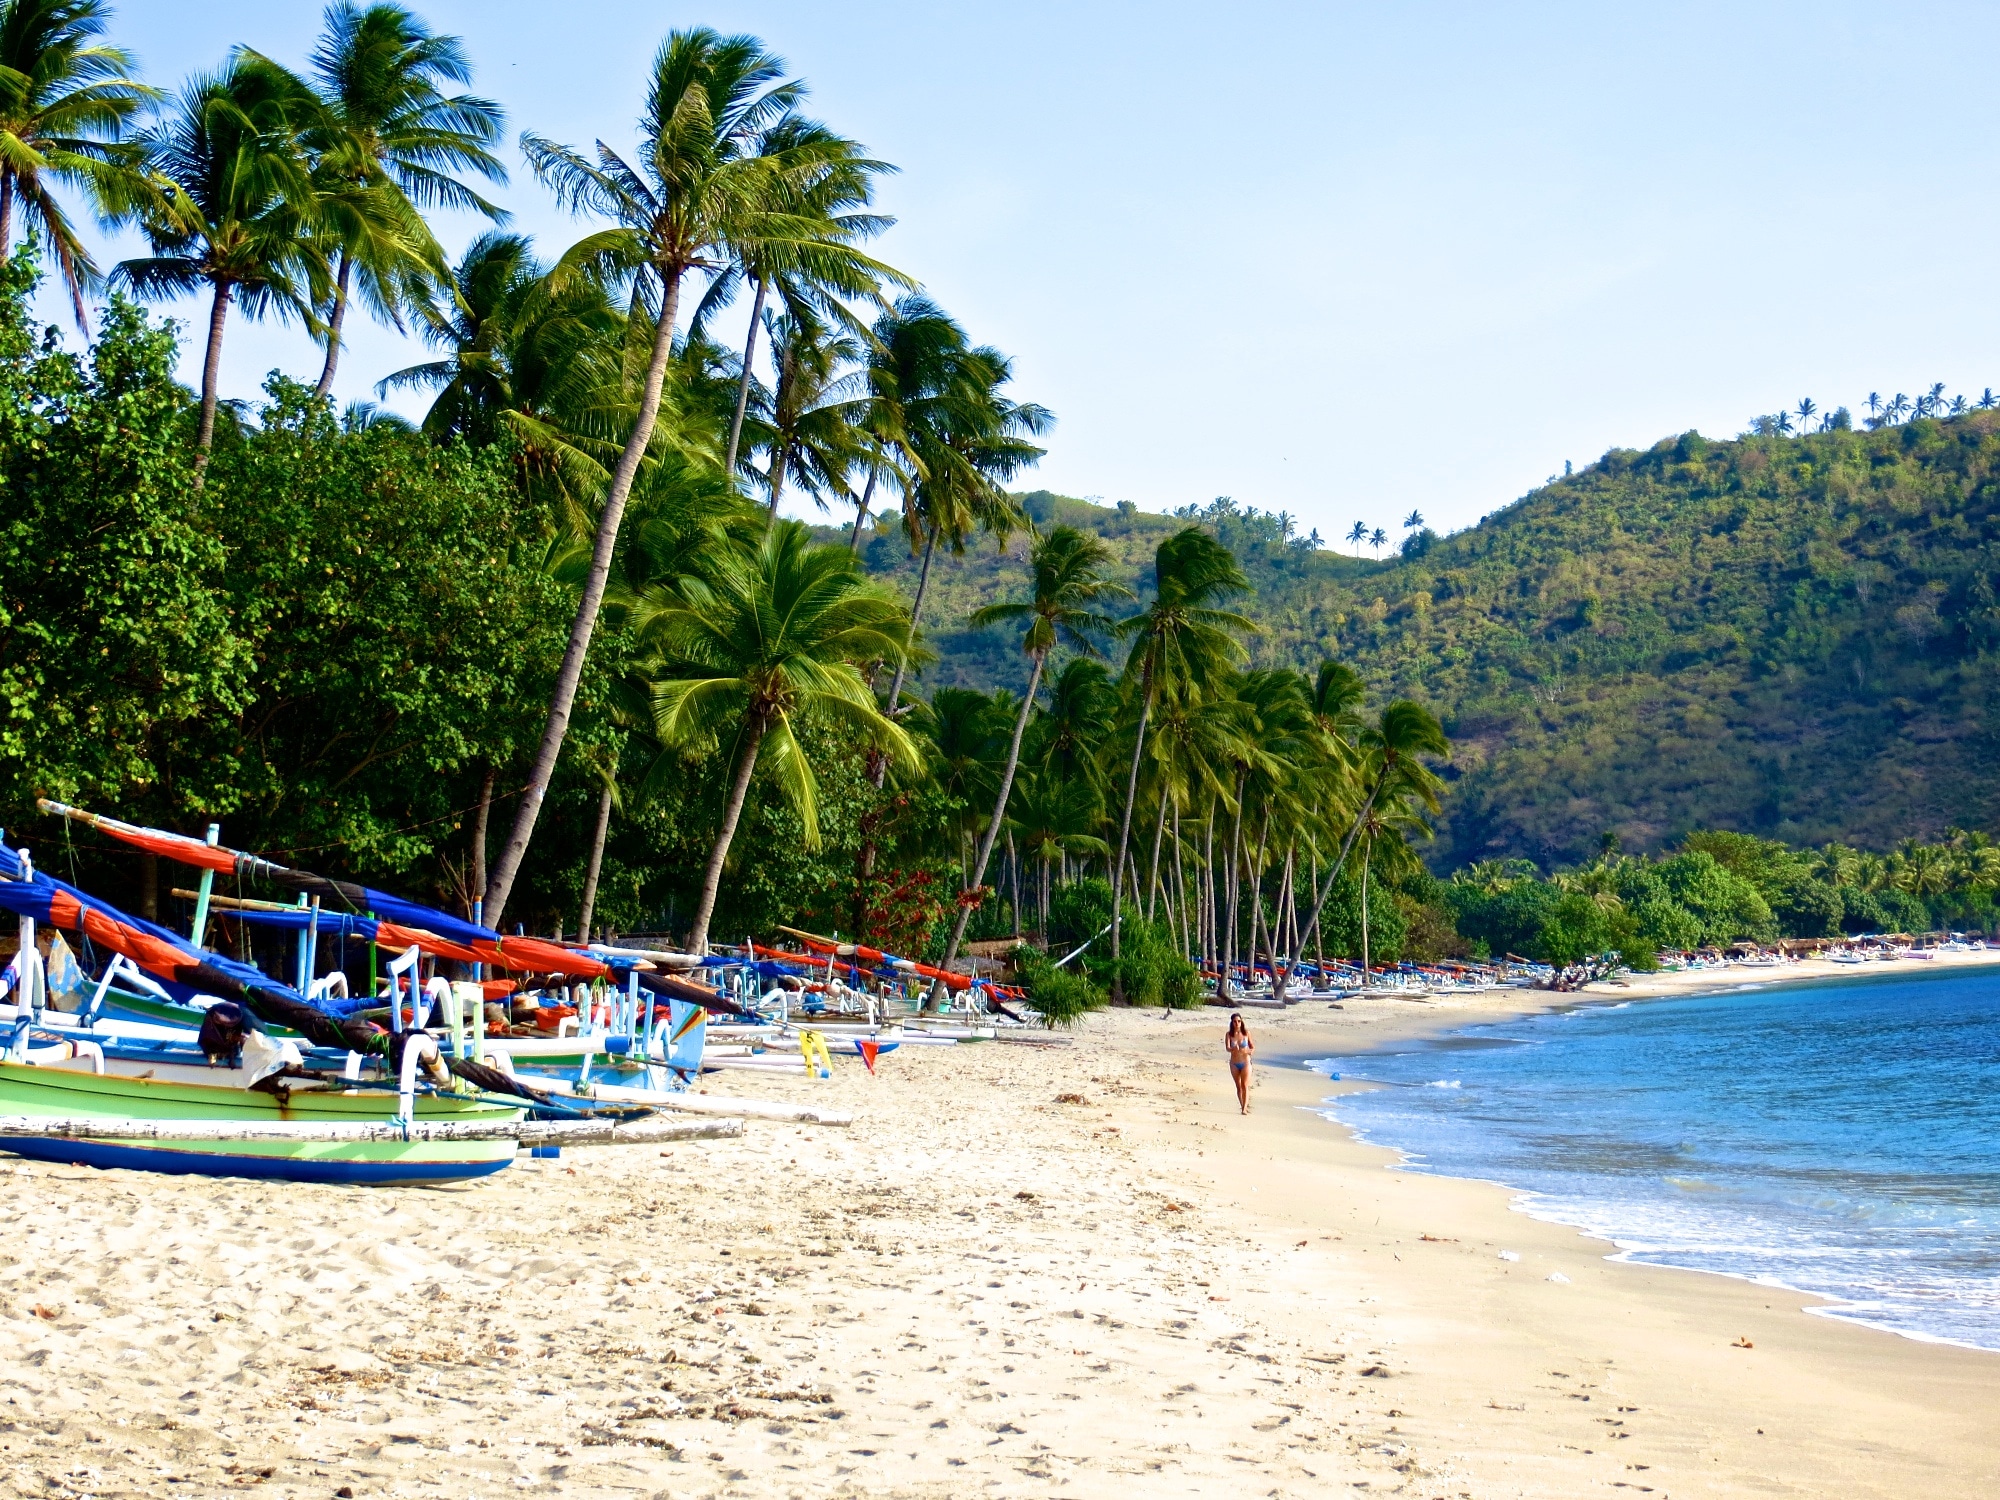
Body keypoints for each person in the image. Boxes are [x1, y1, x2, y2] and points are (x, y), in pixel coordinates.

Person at [1224, 1012, 1253, 1114]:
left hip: (1245, 1062)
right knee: (1238, 1086)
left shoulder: (1246, 1033)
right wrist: (1233, 1048)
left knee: (1245, 1085)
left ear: (1241, 1022)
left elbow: (1252, 1047)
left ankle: (1244, 1108)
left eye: (1239, 1021)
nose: (1237, 1023)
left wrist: (1248, 1051)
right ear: (1232, 1023)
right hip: (1234, 1063)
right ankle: (1242, 1106)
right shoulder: (1229, 1034)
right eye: (1235, 1021)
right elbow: (1227, 1048)